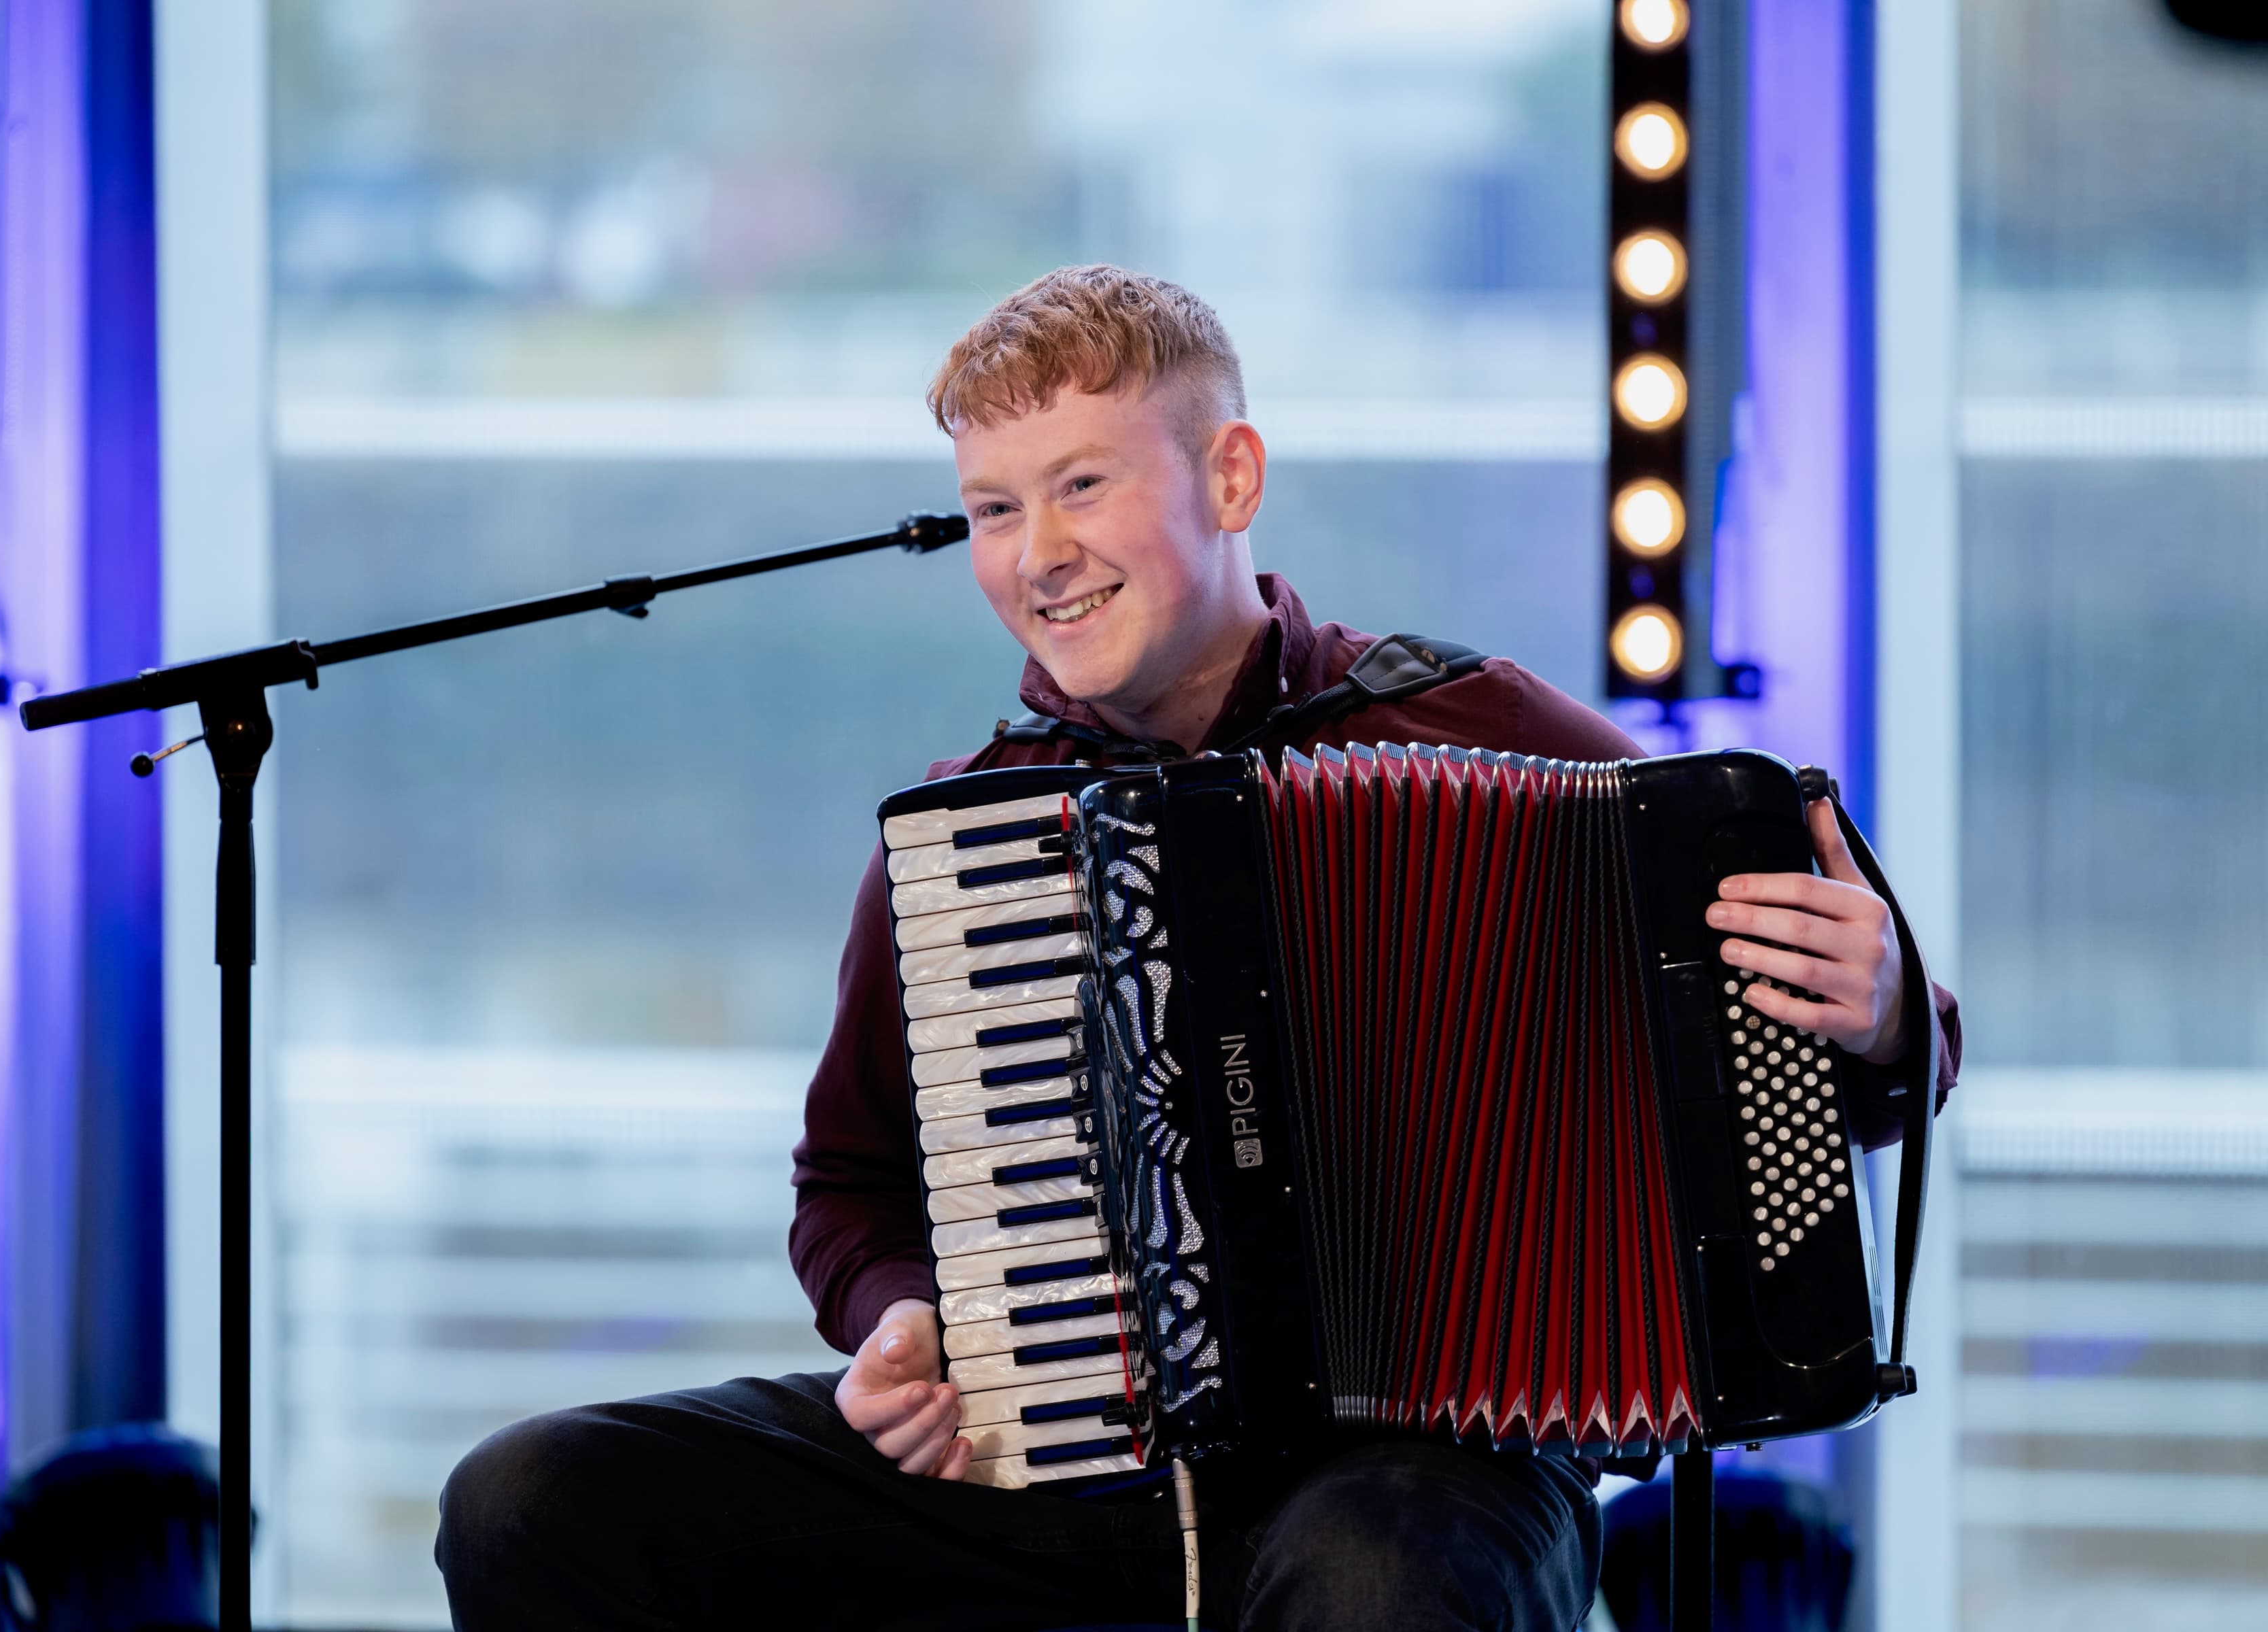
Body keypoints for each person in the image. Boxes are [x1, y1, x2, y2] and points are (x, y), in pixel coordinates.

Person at [435, 265, 1962, 1631]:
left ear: (1230, 476)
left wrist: (1889, 1011)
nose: (1038, 554)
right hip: (1067, 1462)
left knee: (1375, 1569)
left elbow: (1852, 1052)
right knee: (535, 1499)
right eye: (991, 509)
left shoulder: (1472, 723)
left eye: (1082, 486)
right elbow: (848, 1187)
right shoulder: (967, 841)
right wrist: (902, 1316)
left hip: (1439, 1463)